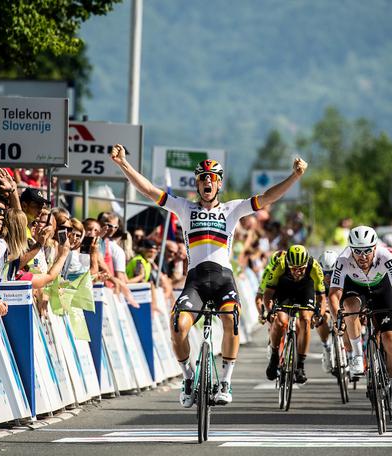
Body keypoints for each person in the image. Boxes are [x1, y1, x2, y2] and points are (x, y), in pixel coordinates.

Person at [109, 143, 306, 408]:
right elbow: (148, 189)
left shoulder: (233, 210)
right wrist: (123, 163)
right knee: (178, 325)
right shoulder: (183, 207)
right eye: (202, 178)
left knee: (231, 319)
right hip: (196, 282)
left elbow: (268, 197)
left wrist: (294, 176)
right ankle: (188, 377)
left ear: (219, 184)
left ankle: (225, 381)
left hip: (224, 279)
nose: (207, 182)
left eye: (212, 178)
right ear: (197, 183)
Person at [328, 225, 392, 419]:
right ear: (351, 250)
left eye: (367, 251)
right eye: (357, 251)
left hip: (382, 289)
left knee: (391, 340)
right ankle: (357, 355)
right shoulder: (343, 259)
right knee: (350, 306)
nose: (362, 256)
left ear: (374, 248)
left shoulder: (386, 257)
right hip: (355, 288)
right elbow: (333, 295)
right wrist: (336, 316)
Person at [262, 245, 326, 384]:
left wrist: (319, 314)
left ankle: (300, 366)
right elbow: (268, 293)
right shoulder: (280, 263)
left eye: (301, 268)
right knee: (280, 321)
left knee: (305, 320)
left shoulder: (314, 266)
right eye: (294, 269)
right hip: (284, 289)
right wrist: (269, 310)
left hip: (305, 289)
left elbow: (321, 297)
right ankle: (274, 356)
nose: (297, 272)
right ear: (288, 264)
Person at [317, 249, 339, 373]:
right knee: (323, 317)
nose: (328, 277)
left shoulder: (343, 273)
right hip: (323, 297)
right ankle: (326, 347)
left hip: (337, 296)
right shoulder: (315, 275)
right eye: (325, 273)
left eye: (331, 273)